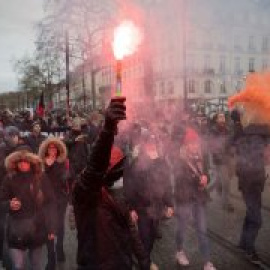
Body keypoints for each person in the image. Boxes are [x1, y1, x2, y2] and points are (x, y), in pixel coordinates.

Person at [72, 97, 150, 270]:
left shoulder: (118, 195)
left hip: (122, 263)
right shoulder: (84, 191)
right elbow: (94, 169)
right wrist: (107, 130)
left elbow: (131, 231)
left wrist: (144, 260)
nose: (117, 176)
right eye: (114, 169)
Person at [0, 149, 56, 270]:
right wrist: (9, 204)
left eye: (26, 161)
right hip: (16, 227)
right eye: (19, 161)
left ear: (31, 162)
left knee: (36, 265)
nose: (23, 164)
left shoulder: (41, 178)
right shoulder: (9, 179)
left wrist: (51, 227)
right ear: (14, 163)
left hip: (37, 227)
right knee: (18, 266)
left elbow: (50, 203)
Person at [124, 135, 174, 270]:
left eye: (154, 142)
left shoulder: (162, 162)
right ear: (144, 146)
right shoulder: (136, 163)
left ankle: (145, 260)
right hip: (142, 207)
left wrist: (169, 204)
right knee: (144, 238)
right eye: (149, 143)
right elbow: (129, 187)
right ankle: (144, 264)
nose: (152, 145)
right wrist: (130, 208)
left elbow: (167, 185)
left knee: (151, 238)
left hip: (157, 207)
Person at [174, 128, 216, 270]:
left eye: (196, 143)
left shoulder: (201, 157)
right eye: (191, 144)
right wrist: (198, 179)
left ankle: (207, 261)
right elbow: (180, 180)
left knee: (202, 230)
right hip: (184, 199)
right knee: (182, 228)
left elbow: (207, 174)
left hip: (199, 198)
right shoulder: (179, 159)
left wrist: (206, 178)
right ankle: (180, 251)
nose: (194, 146)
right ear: (185, 145)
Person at [39, 137, 69, 269]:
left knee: (60, 224)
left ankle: (59, 248)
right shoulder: (40, 163)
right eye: (50, 147)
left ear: (58, 149)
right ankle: (51, 257)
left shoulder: (63, 162)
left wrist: (66, 174)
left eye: (55, 148)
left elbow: (69, 177)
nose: (52, 150)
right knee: (48, 226)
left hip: (60, 198)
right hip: (46, 200)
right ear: (45, 149)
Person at [210, 112, 234, 212]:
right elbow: (212, 145)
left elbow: (231, 143)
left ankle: (205, 191)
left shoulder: (228, 129)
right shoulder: (213, 130)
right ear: (216, 119)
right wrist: (218, 157)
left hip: (229, 158)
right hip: (220, 160)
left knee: (217, 180)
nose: (222, 118)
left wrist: (232, 151)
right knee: (226, 182)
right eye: (220, 117)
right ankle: (226, 203)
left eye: (223, 116)